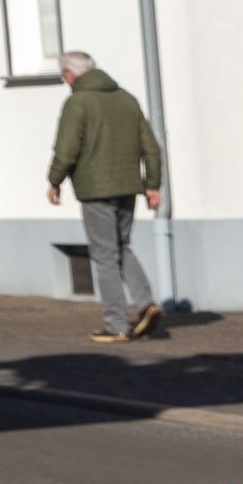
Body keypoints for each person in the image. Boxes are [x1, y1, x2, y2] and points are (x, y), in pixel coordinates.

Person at [45, 51, 167, 342]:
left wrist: (55, 180)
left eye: (64, 76)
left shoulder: (77, 102)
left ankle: (117, 324)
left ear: (70, 74)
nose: (65, 81)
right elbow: (151, 147)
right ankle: (146, 304)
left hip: (96, 190)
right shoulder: (126, 99)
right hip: (128, 188)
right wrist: (152, 185)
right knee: (121, 247)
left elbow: (66, 149)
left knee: (104, 256)